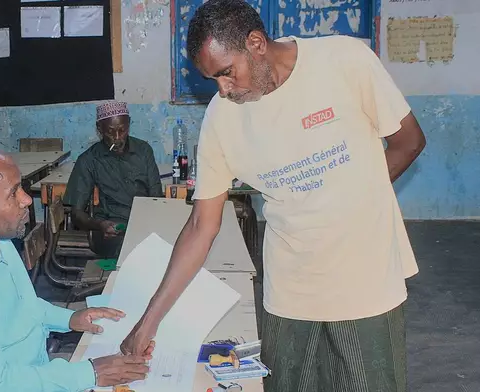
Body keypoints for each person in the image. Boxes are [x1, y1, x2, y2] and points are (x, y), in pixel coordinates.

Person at [119, 0, 427, 391]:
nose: (224, 90)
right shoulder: (222, 117)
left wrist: (355, 199)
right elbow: (201, 225)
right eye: (213, 80)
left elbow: (408, 141)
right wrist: (148, 324)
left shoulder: (346, 62)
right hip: (290, 292)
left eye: (227, 73)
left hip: (364, 281)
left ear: (256, 42)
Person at [0, 141, 152, 392]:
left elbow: (22, 306)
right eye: (13, 193)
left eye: (22, 188)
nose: (27, 199)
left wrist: (71, 318)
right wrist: (89, 373)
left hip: (32, 373)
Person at [64, 101, 164, 258]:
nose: (117, 138)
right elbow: (76, 213)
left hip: (144, 223)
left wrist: (149, 224)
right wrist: (99, 225)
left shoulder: (143, 151)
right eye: (110, 132)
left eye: (122, 131)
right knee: (128, 250)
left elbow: (156, 198)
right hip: (110, 229)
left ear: (129, 125)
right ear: (99, 129)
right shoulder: (89, 160)